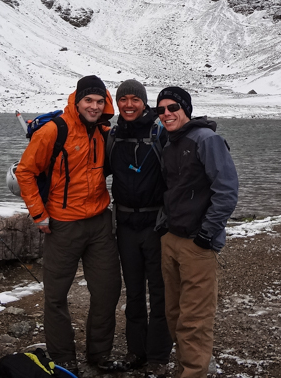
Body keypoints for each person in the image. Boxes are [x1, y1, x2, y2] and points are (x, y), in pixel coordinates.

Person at [15, 75, 121, 374]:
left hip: (100, 222)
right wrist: (39, 214)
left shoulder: (103, 132)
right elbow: (25, 172)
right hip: (62, 226)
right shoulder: (53, 131)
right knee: (56, 294)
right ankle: (63, 356)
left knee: (107, 290)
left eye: (100, 101)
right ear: (77, 101)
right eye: (89, 100)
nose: (95, 106)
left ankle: (99, 354)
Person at [155, 86, 239, 378]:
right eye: (161, 110)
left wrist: (207, 234)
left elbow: (226, 190)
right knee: (174, 314)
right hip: (172, 238)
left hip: (197, 243)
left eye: (172, 108)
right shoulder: (169, 142)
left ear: (186, 109)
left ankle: (193, 372)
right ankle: (186, 367)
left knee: (195, 318)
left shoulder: (207, 139)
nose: (166, 114)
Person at [107, 80, 172, 378]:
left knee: (159, 292)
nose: (129, 105)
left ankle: (158, 355)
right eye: (123, 99)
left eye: (135, 99)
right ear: (117, 103)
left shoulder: (160, 132)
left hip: (155, 224)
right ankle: (137, 352)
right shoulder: (115, 134)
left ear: (144, 103)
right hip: (126, 226)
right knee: (133, 293)